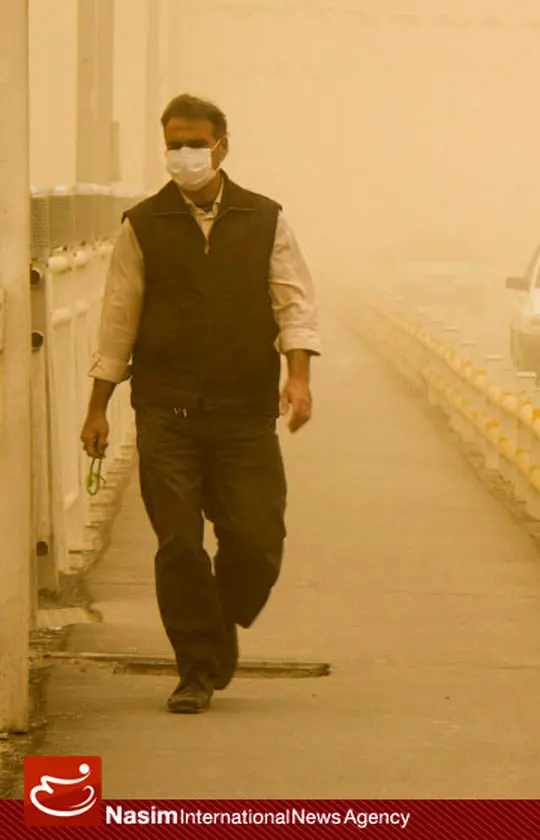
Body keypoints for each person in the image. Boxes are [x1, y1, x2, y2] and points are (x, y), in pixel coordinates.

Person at [78, 94, 321, 714]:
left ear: (221, 147)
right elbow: (117, 320)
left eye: (195, 143)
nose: (183, 155)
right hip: (167, 413)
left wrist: (299, 379)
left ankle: (218, 620)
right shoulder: (143, 224)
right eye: (174, 144)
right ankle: (195, 667)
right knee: (179, 544)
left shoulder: (265, 218)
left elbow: (294, 304)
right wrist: (98, 406)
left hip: (244, 414)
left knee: (258, 541)